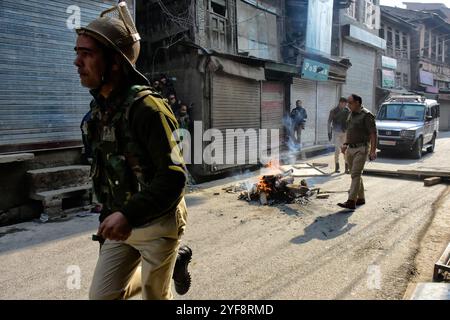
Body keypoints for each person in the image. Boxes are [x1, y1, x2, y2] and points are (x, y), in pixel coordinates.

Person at [74, 2, 192, 299]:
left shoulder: (148, 108)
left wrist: (127, 214)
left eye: (87, 54)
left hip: (157, 221)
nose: (77, 62)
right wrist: (110, 216)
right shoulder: (99, 110)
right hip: (121, 223)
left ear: (115, 62)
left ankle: (169, 259)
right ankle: (173, 262)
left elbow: (174, 176)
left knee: (155, 296)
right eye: (77, 53)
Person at [338, 94, 377, 210]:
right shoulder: (351, 114)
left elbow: (373, 134)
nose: (348, 105)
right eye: (347, 103)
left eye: (350, 103)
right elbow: (350, 132)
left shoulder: (367, 115)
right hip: (350, 148)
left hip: (362, 148)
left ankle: (351, 201)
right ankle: (361, 198)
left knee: (355, 174)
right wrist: (345, 144)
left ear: (357, 103)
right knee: (355, 174)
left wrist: (373, 151)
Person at [328, 97, 350, 173]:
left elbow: (351, 121)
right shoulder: (333, 111)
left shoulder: (347, 110)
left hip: (345, 132)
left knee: (345, 150)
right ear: (341, 103)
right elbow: (329, 122)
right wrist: (329, 132)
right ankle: (337, 167)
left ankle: (346, 168)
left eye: (346, 104)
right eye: (345, 103)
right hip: (336, 132)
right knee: (337, 149)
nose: (346, 105)